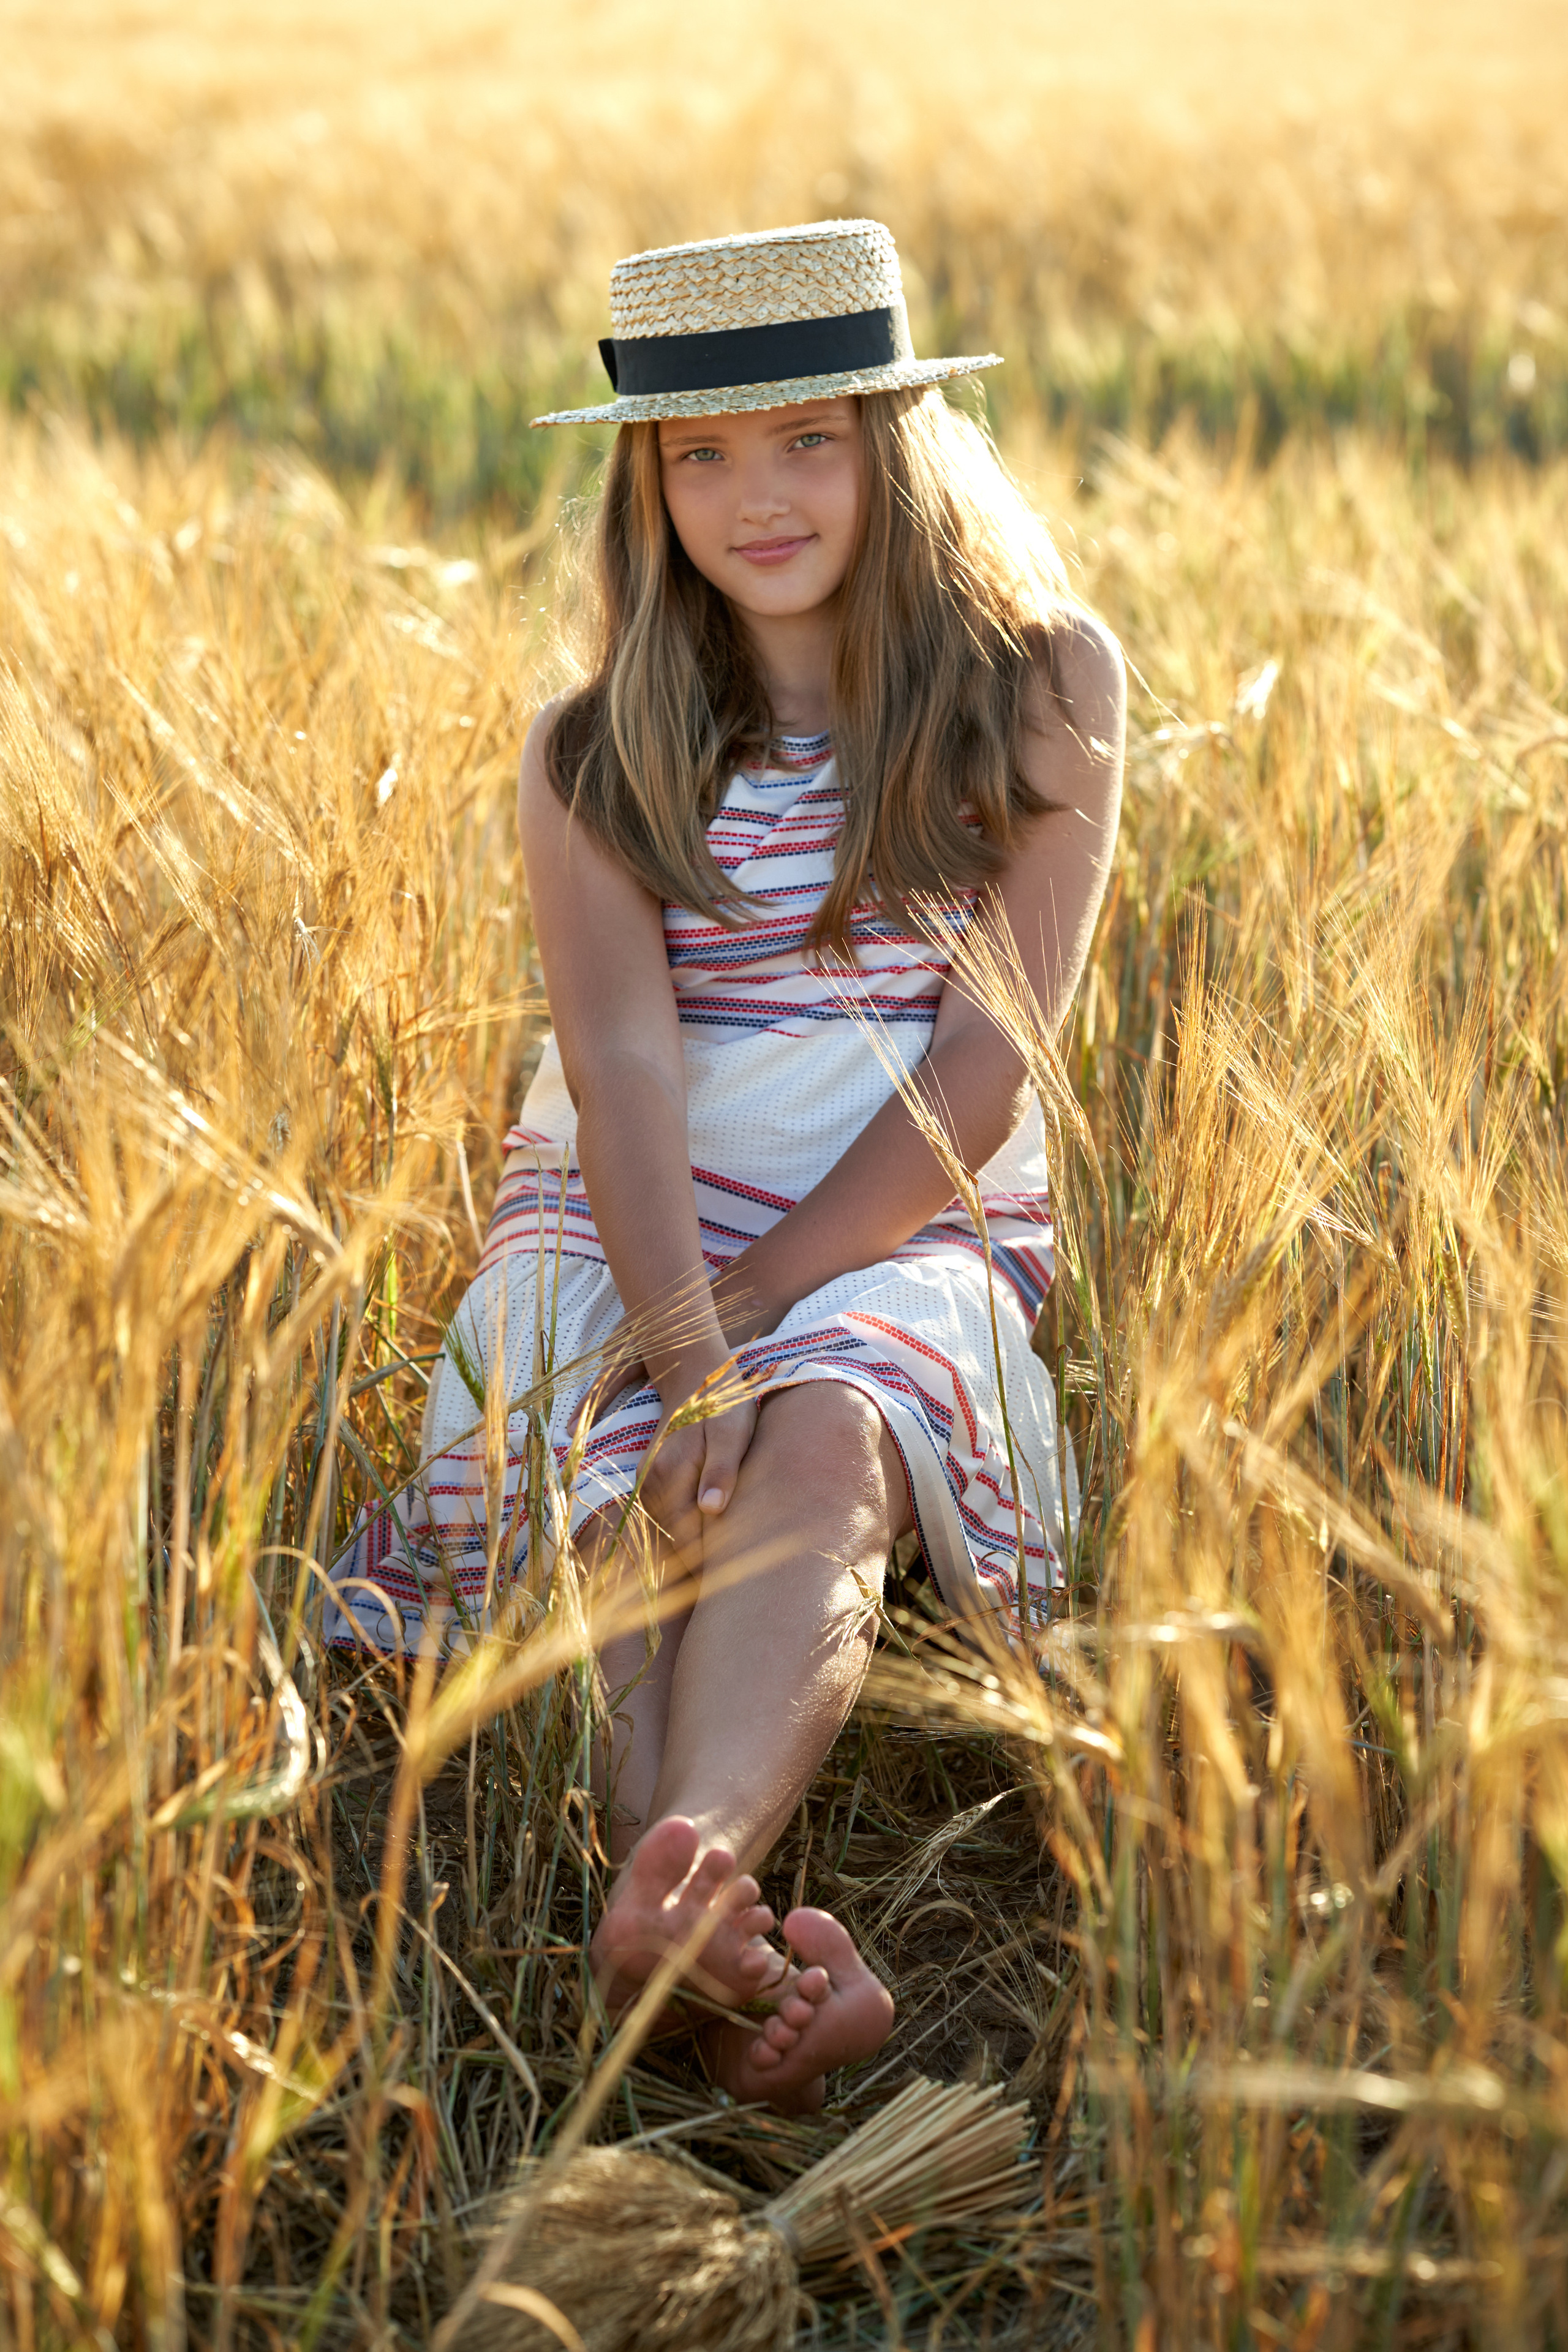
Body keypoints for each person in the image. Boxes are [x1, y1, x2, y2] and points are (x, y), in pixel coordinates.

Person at [326, 219, 1124, 2114]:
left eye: (807, 442)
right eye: (702, 454)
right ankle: (700, 1920)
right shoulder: (595, 748)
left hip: (909, 1184)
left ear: (895, 443)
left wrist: (754, 1329)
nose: (754, 494)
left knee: (837, 1430)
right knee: (614, 1474)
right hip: (640, 1196)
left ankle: (682, 1884)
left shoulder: (1043, 684)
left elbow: (988, 1064)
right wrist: (681, 1347)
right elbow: (616, 1070)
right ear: (646, 478)